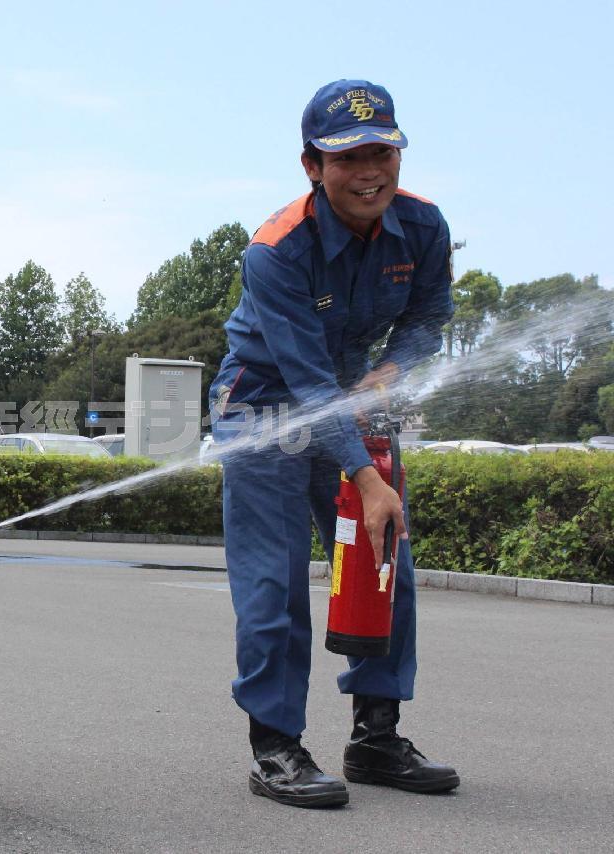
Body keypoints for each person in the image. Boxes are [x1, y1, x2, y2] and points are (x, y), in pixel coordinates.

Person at [210, 80, 459, 808]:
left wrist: (391, 372)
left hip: (351, 395)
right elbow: (307, 379)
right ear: (313, 166)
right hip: (264, 407)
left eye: (383, 152)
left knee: (384, 566)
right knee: (275, 582)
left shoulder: (424, 226)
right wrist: (368, 478)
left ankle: (376, 738)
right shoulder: (276, 250)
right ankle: (276, 747)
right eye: (348, 157)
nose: (370, 172)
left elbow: (428, 317)